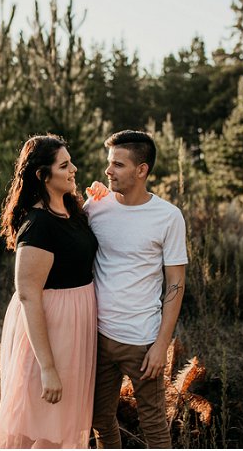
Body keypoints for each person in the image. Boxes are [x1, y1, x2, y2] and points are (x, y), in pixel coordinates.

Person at [0, 134, 99, 449]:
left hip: (75, 327)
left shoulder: (71, 209)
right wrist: (47, 367)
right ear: (43, 176)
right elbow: (27, 294)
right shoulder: (38, 224)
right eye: (64, 165)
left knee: (60, 426)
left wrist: (102, 198)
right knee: (38, 427)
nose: (74, 169)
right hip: (49, 330)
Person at [85, 130, 188, 449]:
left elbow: (175, 283)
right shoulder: (96, 206)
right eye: (108, 163)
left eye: (117, 164)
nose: (108, 171)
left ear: (141, 170)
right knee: (99, 419)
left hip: (142, 342)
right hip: (97, 337)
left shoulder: (168, 217)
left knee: (154, 428)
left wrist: (161, 345)